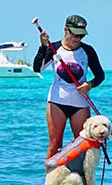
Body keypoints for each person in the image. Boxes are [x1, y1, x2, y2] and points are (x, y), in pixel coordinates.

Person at [33, 15, 105, 171]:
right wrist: (43, 46)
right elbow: (37, 68)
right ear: (66, 30)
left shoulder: (87, 51)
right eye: (74, 34)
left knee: (82, 146)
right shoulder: (54, 48)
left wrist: (89, 85)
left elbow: (100, 75)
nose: (77, 38)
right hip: (57, 102)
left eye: (81, 35)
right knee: (55, 145)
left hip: (80, 105)